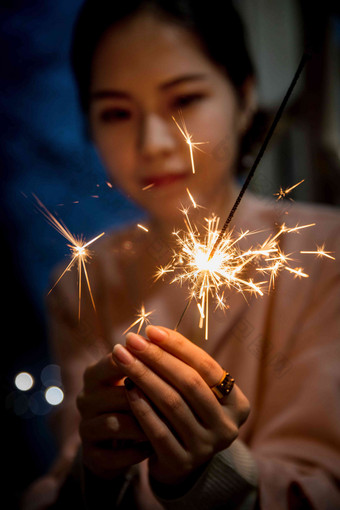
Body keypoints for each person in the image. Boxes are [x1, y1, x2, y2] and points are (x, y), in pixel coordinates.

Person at [21, 0, 340, 509]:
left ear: (244, 95)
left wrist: (216, 477)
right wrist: (99, 470)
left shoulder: (328, 256)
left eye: (184, 99)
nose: (154, 143)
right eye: (117, 112)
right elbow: (67, 478)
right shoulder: (81, 283)